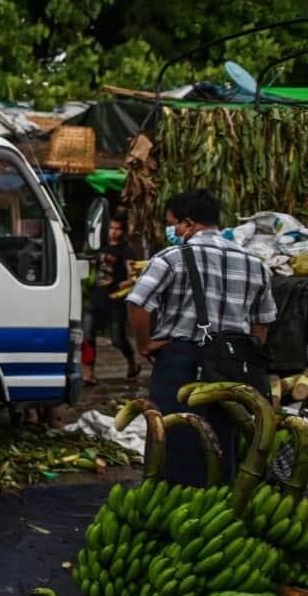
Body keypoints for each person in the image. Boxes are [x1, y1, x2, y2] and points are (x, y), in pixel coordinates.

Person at [127, 189, 276, 487]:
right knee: (224, 436)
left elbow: (137, 303)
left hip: (181, 359)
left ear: (188, 223)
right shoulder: (255, 263)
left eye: (173, 224)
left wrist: (144, 344)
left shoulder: (172, 258)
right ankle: (219, 498)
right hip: (231, 363)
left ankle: (173, 498)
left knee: (175, 434)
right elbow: (263, 322)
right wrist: (248, 350)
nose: (172, 231)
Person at [82, 212, 140, 386]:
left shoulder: (126, 250)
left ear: (123, 231)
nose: (114, 232)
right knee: (87, 336)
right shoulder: (99, 245)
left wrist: (128, 282)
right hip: (94, 298)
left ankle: (132, 362)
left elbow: (133, 273)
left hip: (115, 301)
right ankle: (89, 373)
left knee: (117, 338)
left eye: (117, 229)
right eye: (112, 228)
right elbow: (87, 261)